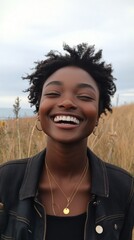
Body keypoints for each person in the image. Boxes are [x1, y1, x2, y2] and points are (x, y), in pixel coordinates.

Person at [0, 43, 133, 240]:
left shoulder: (124, 188)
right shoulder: (5, 181)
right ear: (38, 109)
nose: (67, 102)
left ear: (98, 114)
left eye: (85, 96)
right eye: (53, 94)